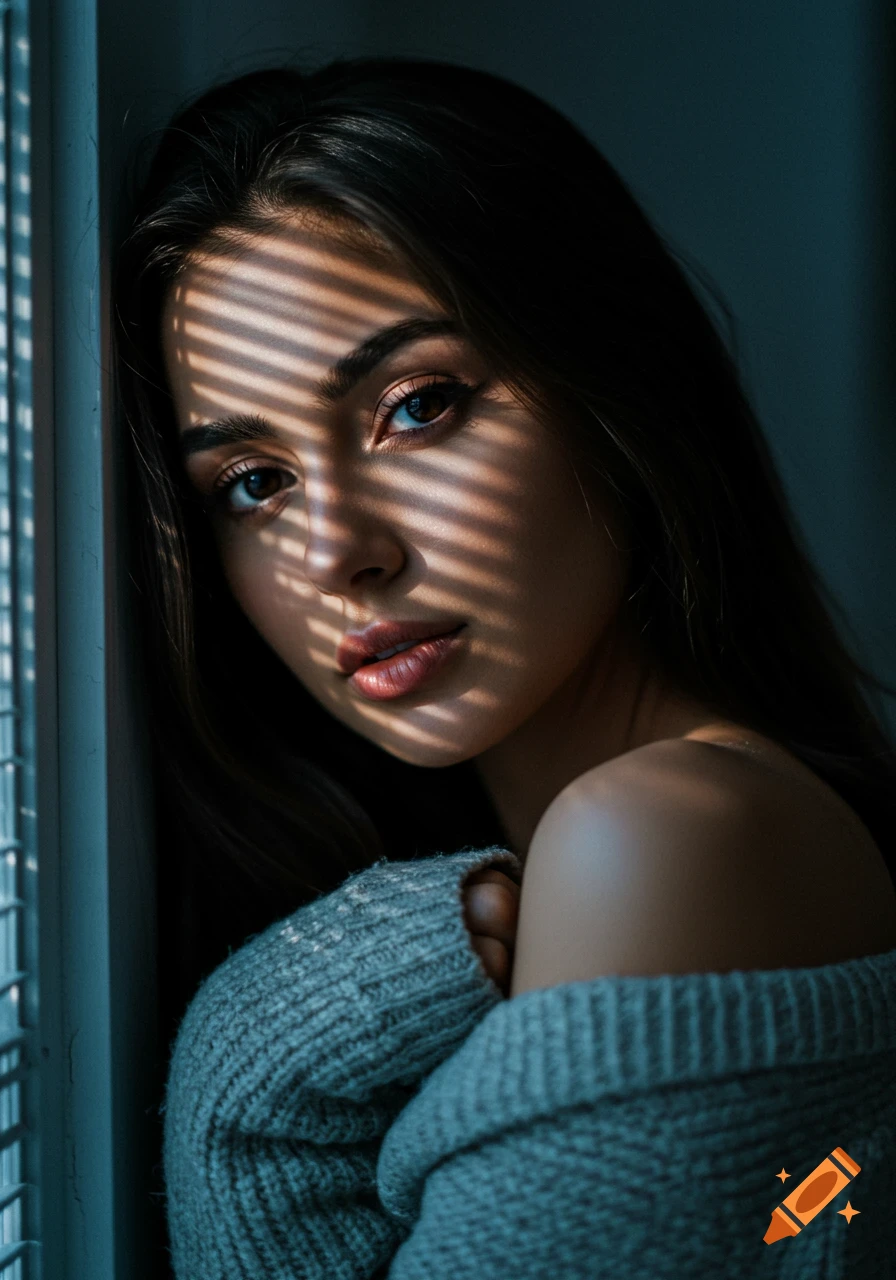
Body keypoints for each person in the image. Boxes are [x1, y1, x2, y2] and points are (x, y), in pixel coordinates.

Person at [115, 57, 896, 1279]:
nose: (337, 552)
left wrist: (247, 1064)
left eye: (417, 405)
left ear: (611, 384)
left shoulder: (667, 834)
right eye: (254, 483)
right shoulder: (622, 848)